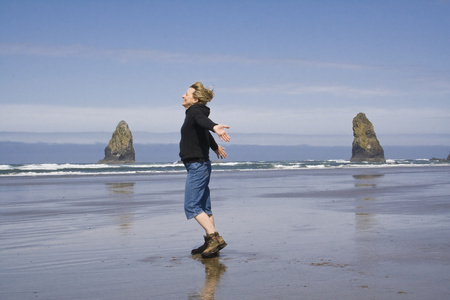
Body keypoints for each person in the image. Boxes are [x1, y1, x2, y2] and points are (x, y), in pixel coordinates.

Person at [179, 81, 230, 258]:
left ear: (195, 99)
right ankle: (211, 243)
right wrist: (215, 146)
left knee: (192, 206)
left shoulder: (194, 112)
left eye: (186, 93)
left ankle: (214, 238)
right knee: (204, 206)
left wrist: (215, 127)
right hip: (201, 165)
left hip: (197, 166)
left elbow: (204, 123)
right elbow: (204, 131)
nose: (183, 96)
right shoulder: (194, 113)